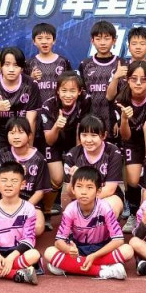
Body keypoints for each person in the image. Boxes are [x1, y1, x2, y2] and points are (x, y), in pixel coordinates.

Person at [44, 167, 131, 279]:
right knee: (49, 252)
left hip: (102, 249)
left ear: (98, 191)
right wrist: (69, 249)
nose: (84, 192)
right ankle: (102, 271)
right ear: (73, 189)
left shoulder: (105, 207)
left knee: (127, 250)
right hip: (78, 249)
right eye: (79, 186)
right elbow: (58, 241)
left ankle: (72, 266)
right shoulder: (70, 209)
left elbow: (118, 240)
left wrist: (94, 256)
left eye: (89, 187)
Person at [113, 60, 146, 218]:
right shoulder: (121, 98)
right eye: (134, 79)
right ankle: (133, 213)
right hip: (132, 141)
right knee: (133, 180)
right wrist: (124, 119)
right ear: (127, 80)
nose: (138, 83)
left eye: (143, 79)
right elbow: (125, 136)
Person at [39, 71, 90, 212]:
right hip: (54, 141)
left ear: (79, 92)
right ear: (57, 91)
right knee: (56, 179)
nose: (68, 95)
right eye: (64, 90)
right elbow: (49, 141)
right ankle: (46, 209)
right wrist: (57, 126)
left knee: (78, 173)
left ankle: (80, 210)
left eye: (72, 91)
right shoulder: (49, 105)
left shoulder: (85, 101)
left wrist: (78, 156)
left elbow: (81, 130)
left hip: (74, 140)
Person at [0, 117, 49, 234]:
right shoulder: (2, 154)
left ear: (29, 135)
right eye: (12, 133)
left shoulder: (39, 158)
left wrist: (23, 208)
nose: (16, 136)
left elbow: (39, 192)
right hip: (6, 201)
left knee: (38, 227)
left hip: (30, 202)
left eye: (20, 132)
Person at [61, 115, 125, 215]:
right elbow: (70, 193)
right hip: (80, 198)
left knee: (108, 208)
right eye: (84, 135)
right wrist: (73, 178)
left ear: (104, 135)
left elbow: (110, 189)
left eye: (94, 135)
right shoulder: (72, 155)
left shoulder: (113, 152)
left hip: (107, 196)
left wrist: (89, 201)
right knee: (69, 212)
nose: (88, 140)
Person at [0, 46, 41, 151]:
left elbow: (31, 121)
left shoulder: (31, 85)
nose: (11, 70)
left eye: (16, 65)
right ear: (1, 66)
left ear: (22, 68)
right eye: (7, 65)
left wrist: (29, 148)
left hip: (21, 131)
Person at [79, 20, 125, 135]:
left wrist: (119, 120)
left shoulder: (121, 63)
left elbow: (124, 96)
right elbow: (81, 95)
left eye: (107, 38)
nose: (102, 43)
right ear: (92, 41)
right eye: (98, 39)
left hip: (113, 121)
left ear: (114, 40)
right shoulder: (85, 64)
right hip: (90, 120)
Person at [26, 22, 72, 104]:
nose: (44, 42)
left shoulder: (63, 62)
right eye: (40, 38)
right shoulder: (29, 63)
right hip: (37, 107)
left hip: (59, 107)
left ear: (54, 40)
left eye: (48, 38)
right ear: (34, 41)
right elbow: (23, 89)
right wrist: (31, 78)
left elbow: (71, 84)